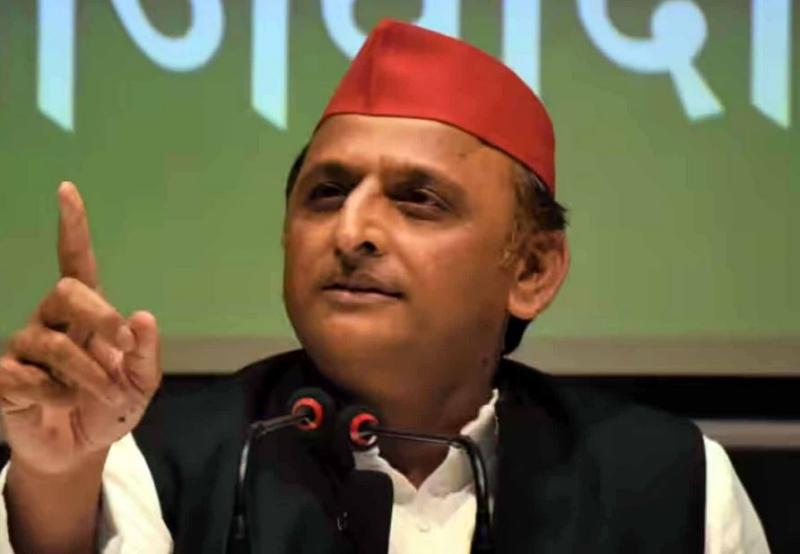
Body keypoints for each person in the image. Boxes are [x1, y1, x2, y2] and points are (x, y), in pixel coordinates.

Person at [0, 19, 769, 554]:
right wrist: (57, 478)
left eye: (418, 200)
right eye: (326, 194)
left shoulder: (674, 483)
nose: (352, 231)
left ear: (532, 270)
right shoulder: (164, 457)